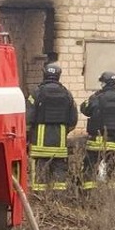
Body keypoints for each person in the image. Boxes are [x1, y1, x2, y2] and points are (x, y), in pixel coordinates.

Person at [79, 71, 115, 190]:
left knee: (90, 169)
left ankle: (88, 195)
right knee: (114, 172)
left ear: (104, 84)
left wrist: (95, 96)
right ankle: (112, 198)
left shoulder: (97, 98)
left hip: (96, 142)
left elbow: (84, 109)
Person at [25, 63, 78, 194]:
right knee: (59, 170)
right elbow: (73, 119)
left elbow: (28, 117)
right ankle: (58, 200)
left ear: (44, 74)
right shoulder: (67, 94)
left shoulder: (36, 93)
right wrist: (64, 131)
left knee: (39, 171)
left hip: (39, 142)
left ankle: (40, 198)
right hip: (59, 142)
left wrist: (28, 135)